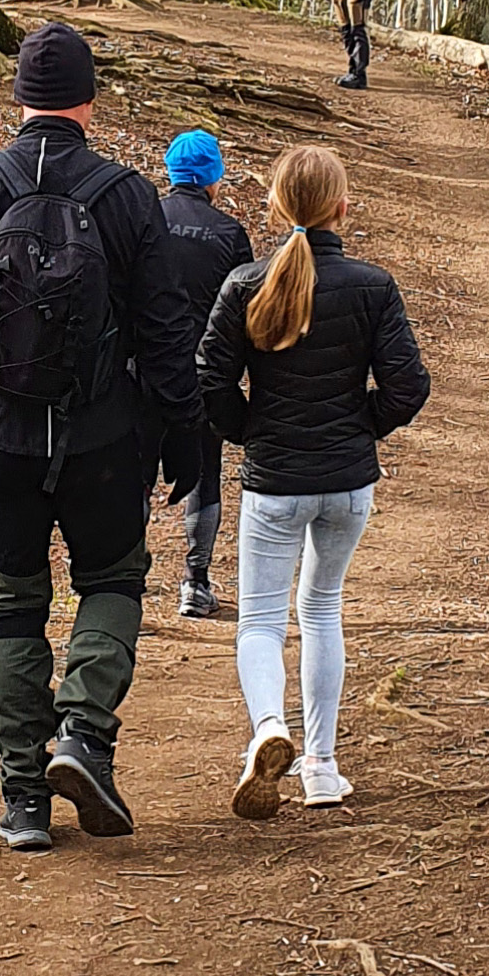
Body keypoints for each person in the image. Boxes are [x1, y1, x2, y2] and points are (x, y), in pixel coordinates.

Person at [0, 22, 205, 852]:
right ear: (88, 98)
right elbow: (164, 327)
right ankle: (84, 734)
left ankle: (22, 798)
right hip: (104, 436)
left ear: (19, 97)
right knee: (112, 574)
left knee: (13, 599)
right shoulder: (125, 194)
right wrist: (186, 429)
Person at [197, 144, 430, 818]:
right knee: (322, 609)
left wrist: (249, 430)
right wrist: (362, 429)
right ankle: (322, 768)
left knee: (261, 621)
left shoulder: (246, 283)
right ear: (342, 207)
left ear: (274, 205)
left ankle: (270, 725)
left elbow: (209, 378)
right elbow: (409, 385)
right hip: (348, 482)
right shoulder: (372, 285)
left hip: (275, 480)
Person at [159, 129, 253, 620]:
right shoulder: (230, 234)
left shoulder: (145, 219)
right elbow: (247, 315)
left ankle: (122, 584)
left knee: (131, 474)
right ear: (213, 177)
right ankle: (195, 583)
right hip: (204, 376)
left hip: (143, 372)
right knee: (204, 475)